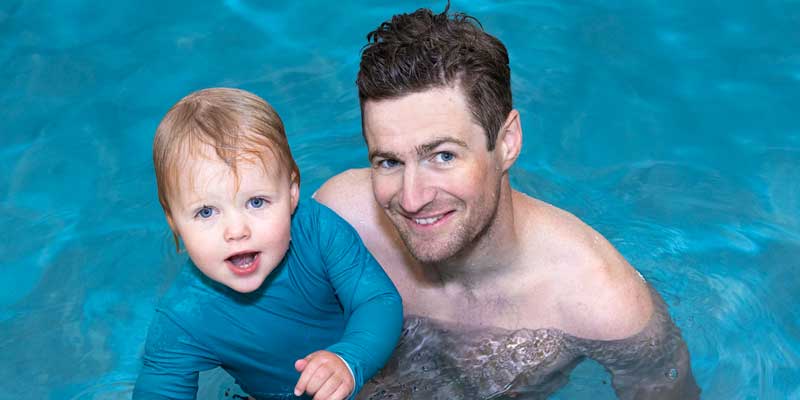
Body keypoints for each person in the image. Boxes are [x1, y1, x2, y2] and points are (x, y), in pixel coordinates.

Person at [314, 4, 701, 399]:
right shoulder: (342, 223)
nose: (412, 199)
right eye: (389, 161)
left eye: (443, 156)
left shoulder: (600, 302)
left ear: (507, 143)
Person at [134, 88, 403, 400]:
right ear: (173, 221)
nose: (236, 230)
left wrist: (349, 359)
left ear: (291, 194)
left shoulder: (316, 230)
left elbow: (378, 300)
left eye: (257, 202)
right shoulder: (183, 317)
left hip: (376, 372)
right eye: (206, 212)